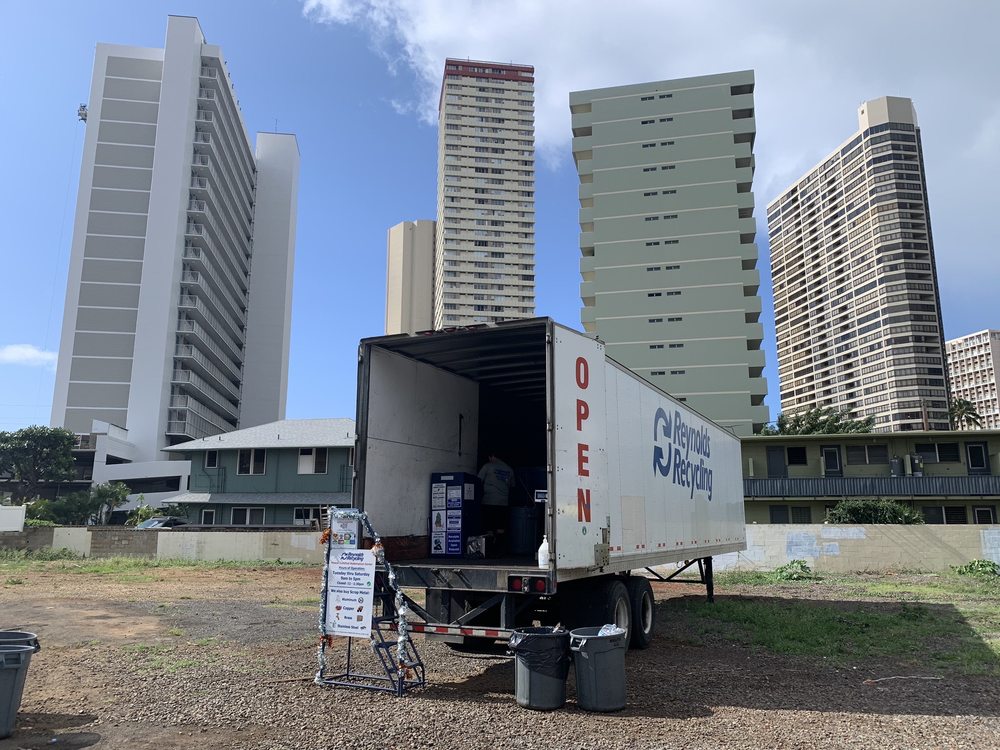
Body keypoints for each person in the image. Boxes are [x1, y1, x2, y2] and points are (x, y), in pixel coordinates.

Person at [478, 451, 514, 554]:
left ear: (492, 456)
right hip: (503, 503)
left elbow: (478, 480)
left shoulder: (488, 466)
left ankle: (489, 550)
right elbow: (512, 486)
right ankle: (500, 550)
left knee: (489, 526)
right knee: (500, 527)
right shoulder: (509, 469)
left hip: (489, 501)